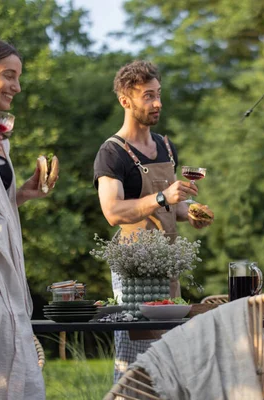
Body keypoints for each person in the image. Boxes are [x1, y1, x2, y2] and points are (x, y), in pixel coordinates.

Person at [93, 60, 213, 383]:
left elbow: (171, 206)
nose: (157, 102)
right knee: (135, 366)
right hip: (133, 272)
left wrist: (190, 212)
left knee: (170, 363)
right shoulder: (112, 153)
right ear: (125, 101)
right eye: (147, 96)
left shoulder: (165, 146)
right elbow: (113, 212)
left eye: (158, 94)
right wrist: (163, 198)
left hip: (167, 266)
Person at [0, 36, 52, 399]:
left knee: (17, 371)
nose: (17, 86)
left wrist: (21, 195)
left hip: (4, 267)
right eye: (9, 75)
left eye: (19, 77)